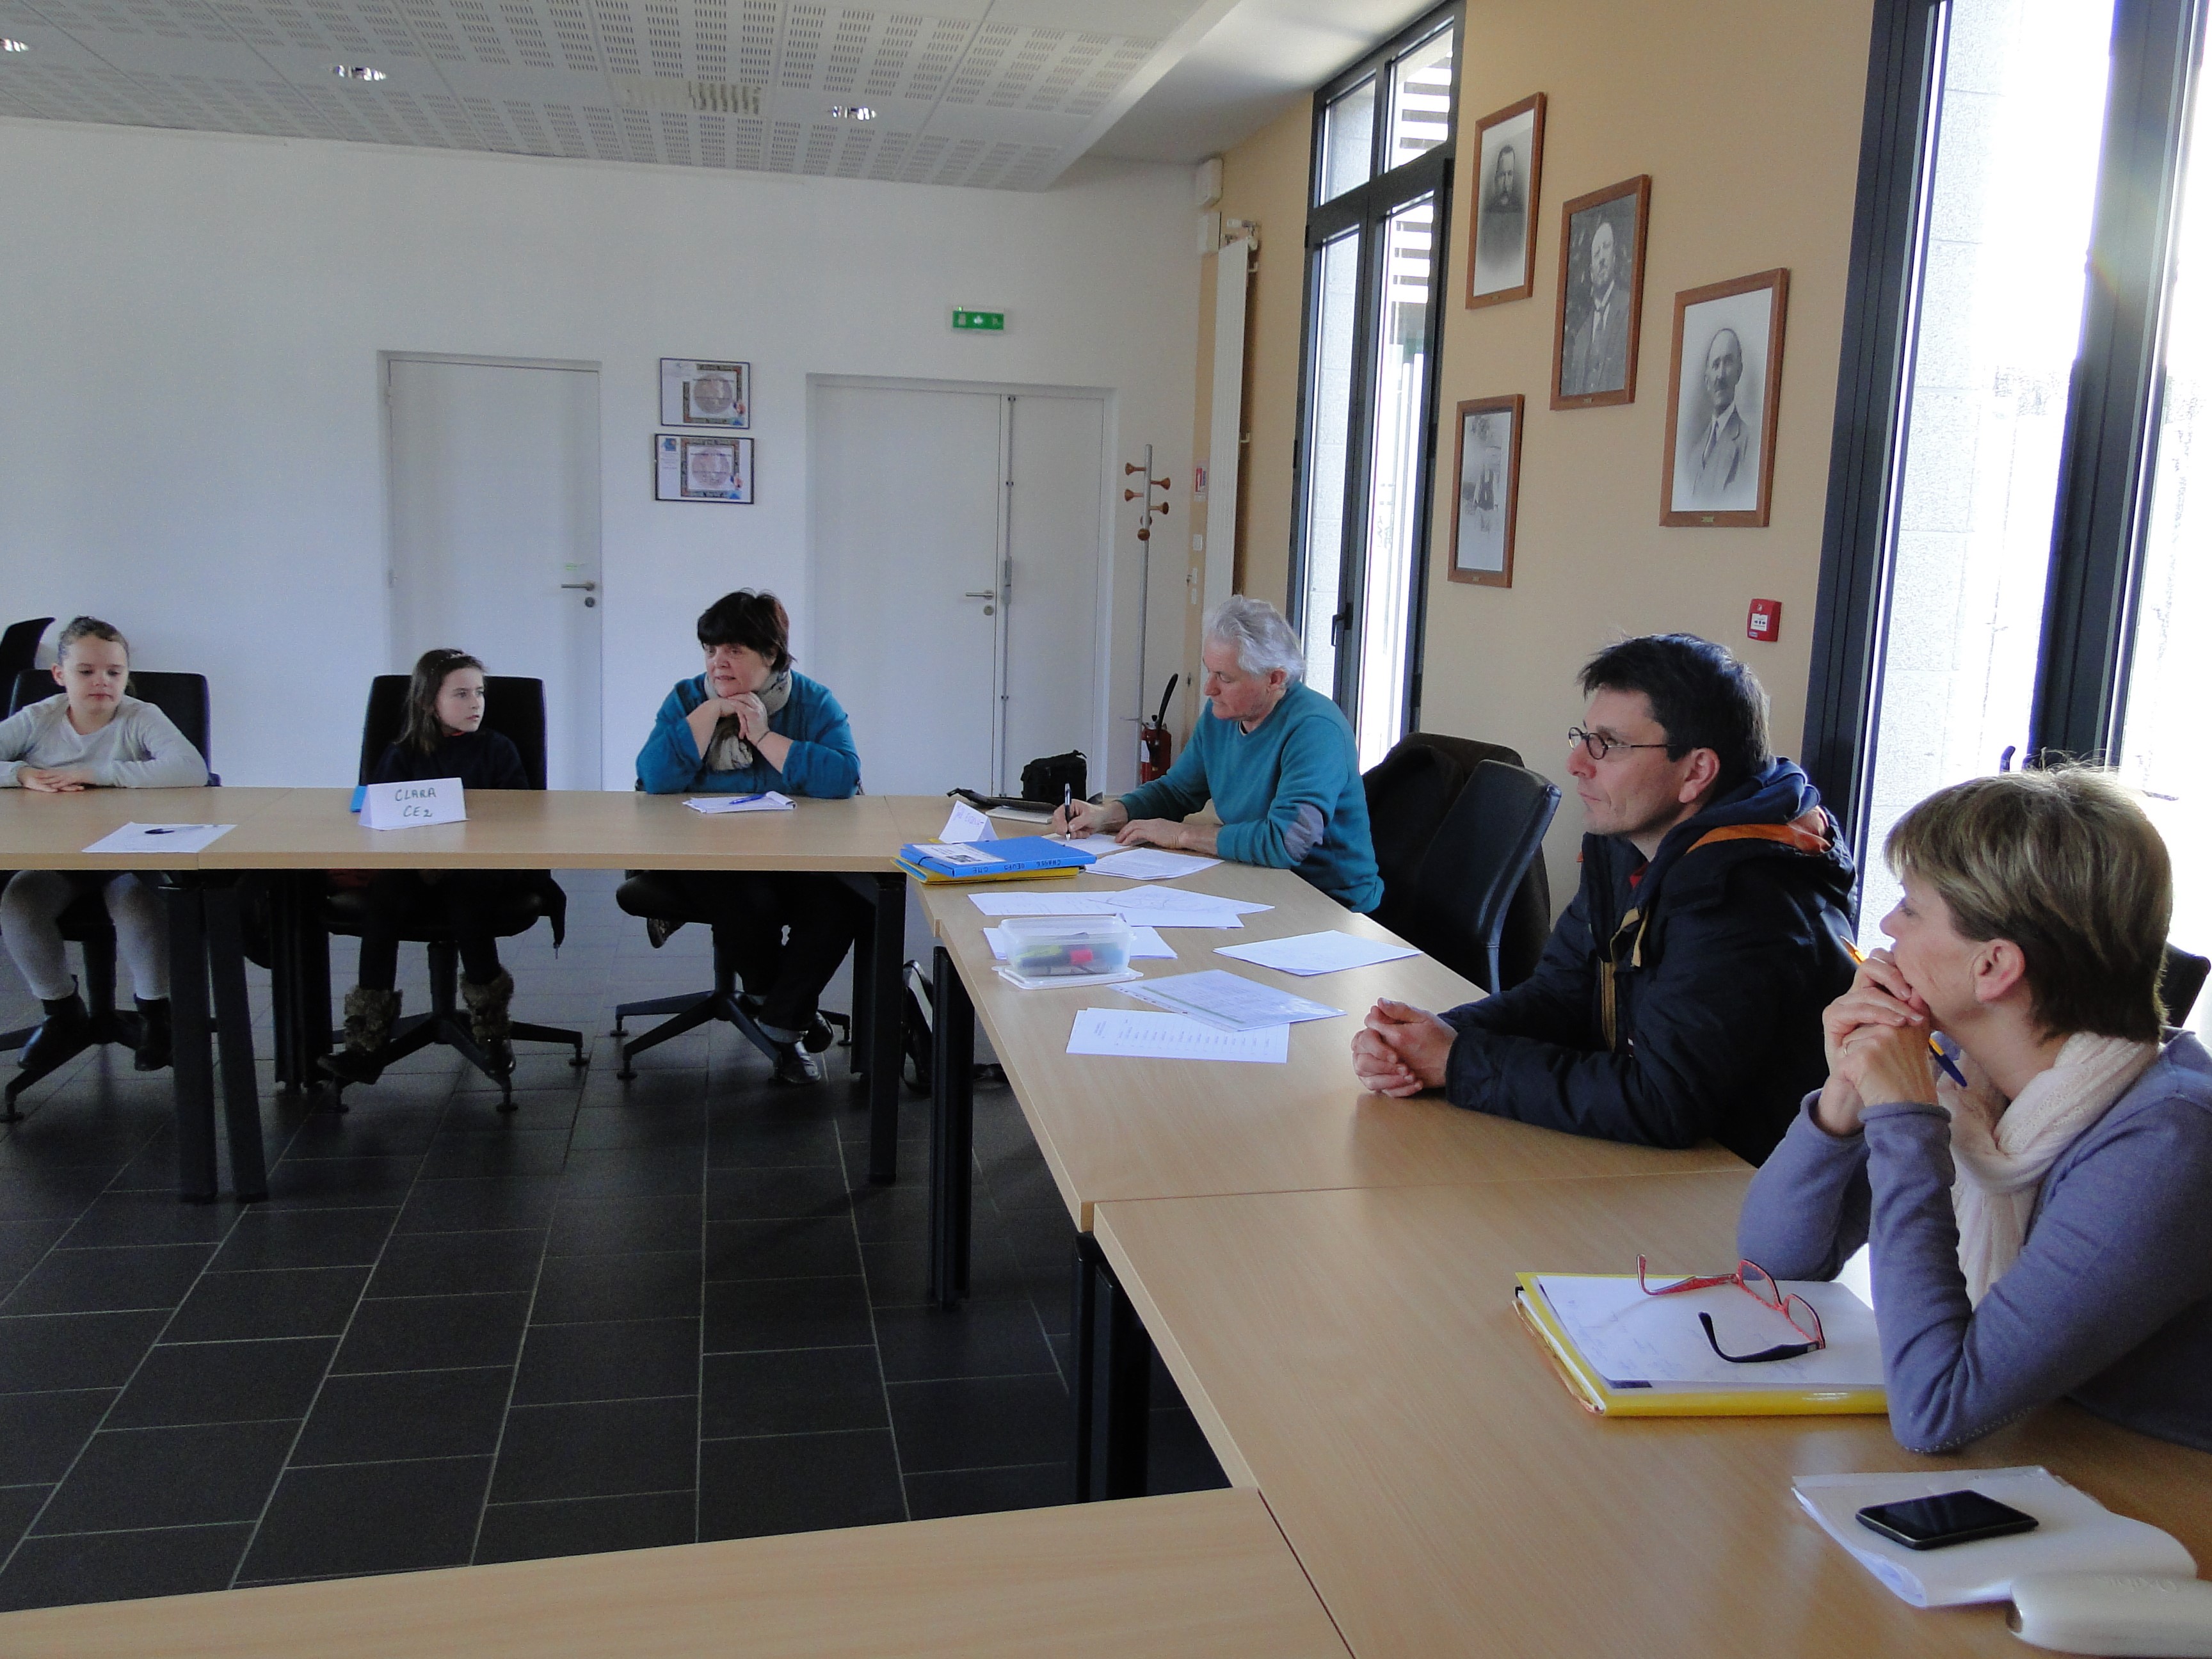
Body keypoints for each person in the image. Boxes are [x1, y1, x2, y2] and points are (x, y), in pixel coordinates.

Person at [1738, 769, 2211, 1454]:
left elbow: (1937, 1409)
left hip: (2168, 1485)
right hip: (2071, 1441)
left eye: (1912, 909)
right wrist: (1845, 1092)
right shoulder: (1980, 1083)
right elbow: (1773, 1262)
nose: (1886, 926)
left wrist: (1904, 1122)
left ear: (1993, 968)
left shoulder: (2166, 1145)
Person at [1351, 634, 1855, 1164]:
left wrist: (1456, 1061)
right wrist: (1429, 1039)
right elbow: (1561, 997)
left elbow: (1664, 1101)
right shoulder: (1628, 840)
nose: (1576, 762)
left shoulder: (1747, 898)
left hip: (1734, 1181)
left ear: (1696, 772)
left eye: (1608, 745)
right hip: (1639, 1157)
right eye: (1584, 737)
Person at [637, 589, 866, 1085]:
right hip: (707, 857)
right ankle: (787, 1013)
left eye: (734, 650)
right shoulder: (687, 698)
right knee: (745, 899)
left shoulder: (812, 701)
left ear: (772, 654)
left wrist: (763, 736)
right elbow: (654, 778)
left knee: (846, 898)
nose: (718, 662)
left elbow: (842, 778)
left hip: (796, 856)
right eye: (711, 650)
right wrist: (710, 713)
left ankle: (781, 1018)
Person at [1052, 596, 1381, 912]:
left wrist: (1182, 835)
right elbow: (1176, 792)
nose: (1209, 689)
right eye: (1209, 671)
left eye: (1224, 677)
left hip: (1328, 902)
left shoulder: (1316, 730)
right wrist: (1105, 816)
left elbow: (1285, 842)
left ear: (1274, 679)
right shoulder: (1222, 715)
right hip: (1259, 882)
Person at [0, 616, 209, 1074]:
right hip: (59, 856)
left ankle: (155, 1014)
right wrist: (22, 774)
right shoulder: (40, 718)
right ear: (60, 675)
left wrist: (95, 773)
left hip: (126, 856)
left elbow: (190, 769)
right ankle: (62, 1012)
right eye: (87, 671)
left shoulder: (140, 716)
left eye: (114, 672)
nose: (102, 682)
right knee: (19, 903)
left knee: (138, 903)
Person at [322, 648, 538, 1086]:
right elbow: (380, 816)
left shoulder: (498, 749)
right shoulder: (402, 754)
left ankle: (492, 1032)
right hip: (415, 864)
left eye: (480, 693)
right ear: (427, 703)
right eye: (461, 694)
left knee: (468, 904)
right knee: (384, 904)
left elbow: (520, 816)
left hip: (480, 865)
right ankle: (366, 1043)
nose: (476, 703)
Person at [1563, 217, 1630, 396]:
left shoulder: (1629, 309)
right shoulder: (1581, 336)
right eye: (1596, 253)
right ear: (1591, 271)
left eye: (1606, 247)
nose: (1601, 259)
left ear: (1614, 258)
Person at [1686, 326, 1751, 504]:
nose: (1721, 375)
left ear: (1739, 371)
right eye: (1715, 365)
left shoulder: (1750, 444)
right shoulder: (1695, 455)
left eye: (1728, 362)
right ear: (1707, 380)